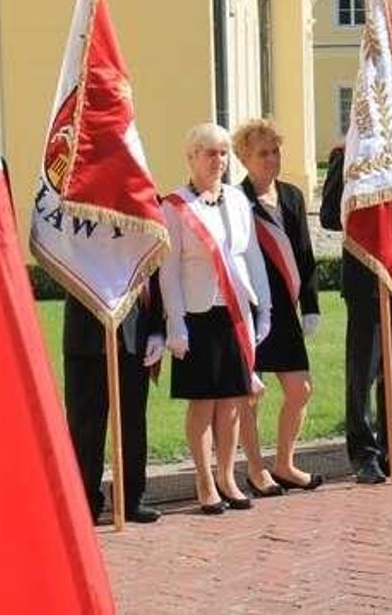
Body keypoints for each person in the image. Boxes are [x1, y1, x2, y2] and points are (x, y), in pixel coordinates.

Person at [159, 123, 272, 514]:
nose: (217, 160)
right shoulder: (174, 206)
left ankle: (228, 476)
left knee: (234, 401)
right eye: (209, 153)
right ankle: (204, 481)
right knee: (204, 404)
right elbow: (168, 270)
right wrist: (175, 322)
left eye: (223, 153)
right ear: (190, 158)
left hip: (234, 311)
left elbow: (251, 255)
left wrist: (265, 309)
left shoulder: (239, 201)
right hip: (197, 314)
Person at [320, 145, 392, 484]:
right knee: (364, 369)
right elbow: (330, 214)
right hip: (365, 277)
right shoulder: (349, 153)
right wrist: (367, 205)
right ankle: (364, 453)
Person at [232, 119, 322, 496]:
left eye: (275, 151)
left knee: (300, 389)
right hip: (252, 309)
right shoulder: (236, 200)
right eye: (262, 153)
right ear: (244, 158)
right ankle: (255, 470)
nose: (271, 159)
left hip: (286, 308)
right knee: (252, 394)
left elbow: (304, 253)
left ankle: (285, 462)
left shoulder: (292, 196)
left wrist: (311, 306)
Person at [63, 274, 165, 523]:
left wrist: (157, 329)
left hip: (133, 329)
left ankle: (131, 498)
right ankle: (83, 502)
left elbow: (154, 265)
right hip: (86, 331)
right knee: (85, 426)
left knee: (132, 422)